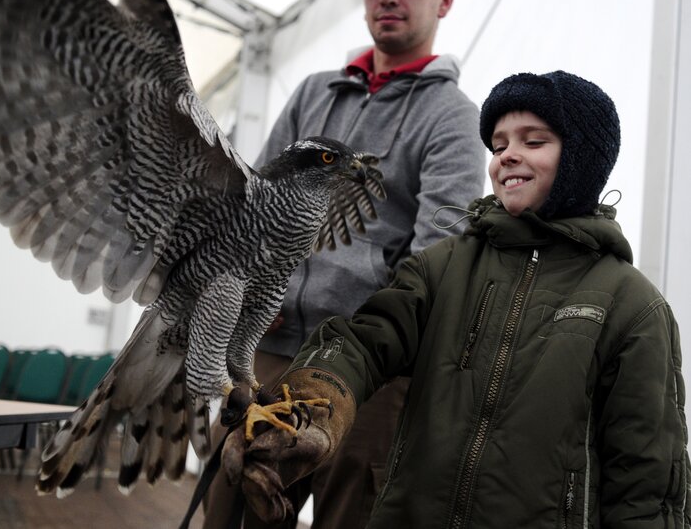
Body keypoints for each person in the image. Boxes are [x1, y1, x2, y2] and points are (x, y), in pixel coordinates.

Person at [221, 70, 691, 528]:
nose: (507, 156)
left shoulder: (633, 306)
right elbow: (365, 339)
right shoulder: (444, 265)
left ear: (582, 160)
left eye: (533, 141)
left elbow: (647, 481)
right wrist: (317, 396)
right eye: (499, 144)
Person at [202, 0, 486, 527]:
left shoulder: (454, 116)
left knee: (350, 515)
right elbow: (254, 202)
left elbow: (437, 253)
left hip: (368, 375)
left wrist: (363, 344)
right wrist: (254, 297)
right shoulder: (313, 91)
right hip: (268, 349)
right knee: (232, 509)